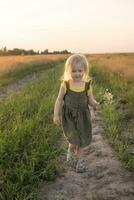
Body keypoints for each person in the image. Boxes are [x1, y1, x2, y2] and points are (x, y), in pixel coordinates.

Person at [53, 54, 100, 173]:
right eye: (74, 71)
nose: (77, 73)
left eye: (80, 70)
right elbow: (59, 100)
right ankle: (70, 149)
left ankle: (79, 162)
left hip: (83, 117)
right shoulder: (66, 84)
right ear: (69, 71)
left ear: (85, 70)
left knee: (81, 140)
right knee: (73, 139)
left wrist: (95, 104)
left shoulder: (87, 85)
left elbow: (90, 99)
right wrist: (56, 114)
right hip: (69, 117)